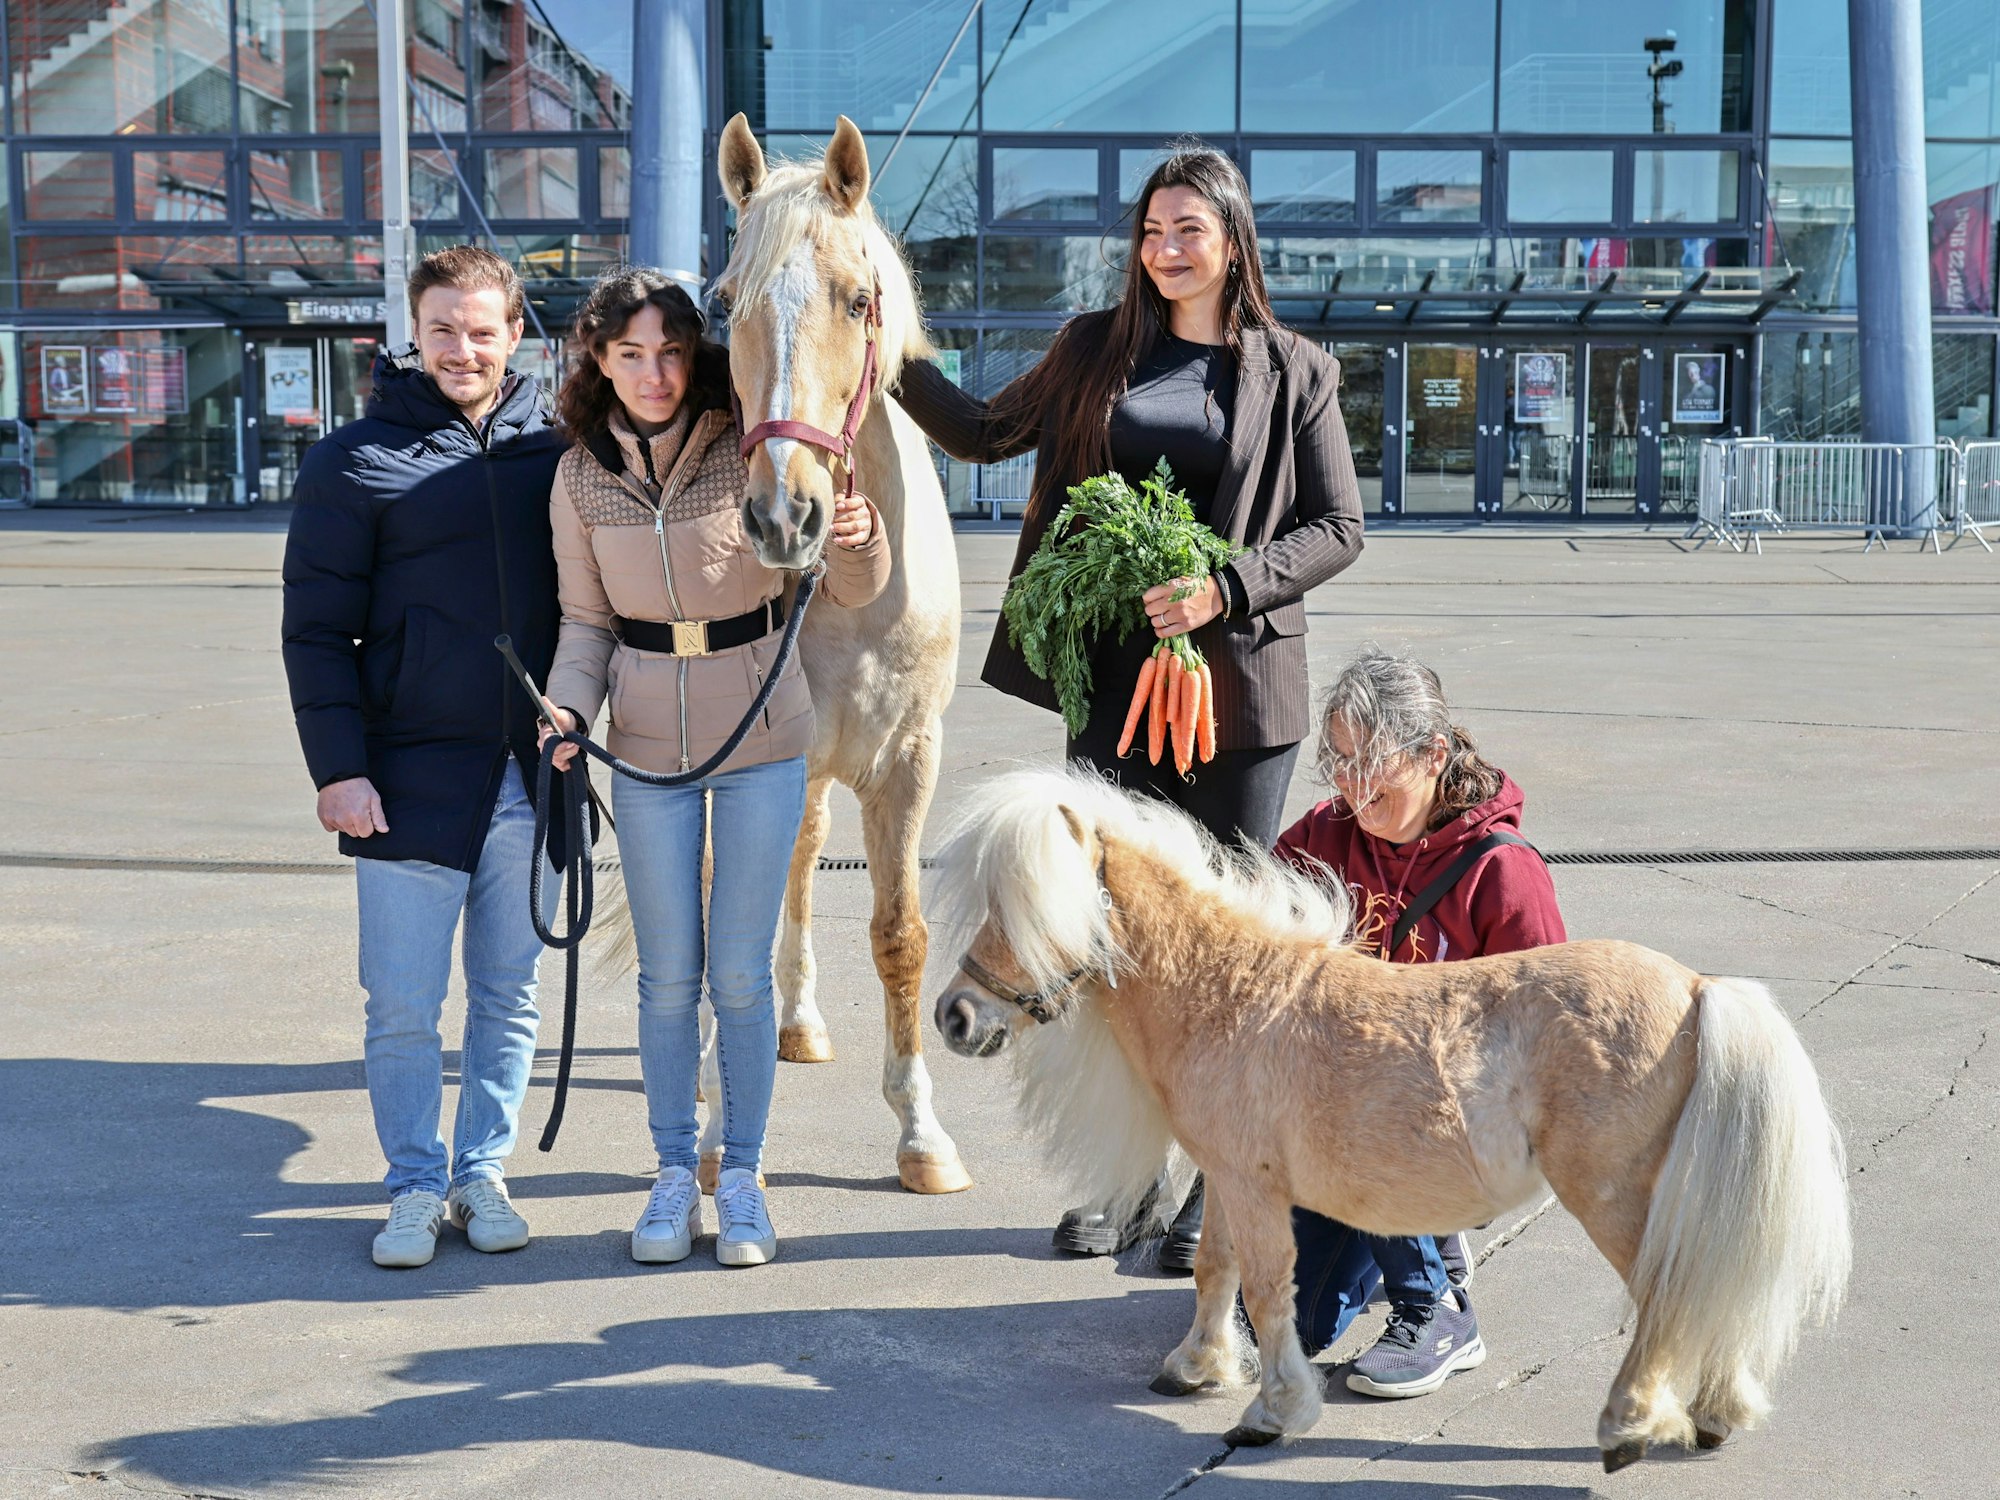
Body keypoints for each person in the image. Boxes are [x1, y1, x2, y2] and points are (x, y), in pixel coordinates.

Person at [894, 142, 1365, 1267]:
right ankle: (1123, 1181)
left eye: (1185, 231)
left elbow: (1336, 527)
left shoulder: (1294, 368)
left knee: (1221, 953)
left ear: (1232, 241)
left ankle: (1216, 1180)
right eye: (1150, 232)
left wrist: (1225, 585)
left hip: (1241, 695)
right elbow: (977, 433)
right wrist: (881, 335)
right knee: (1098, 945)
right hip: (1111, 692)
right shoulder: (1089, 350)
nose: (1163, 250)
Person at [538, 269, 888, 1268]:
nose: (652, 374)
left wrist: (860, 540)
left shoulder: (749, 455)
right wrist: (567, 707)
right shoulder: (577, 481)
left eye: (669, 352)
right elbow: (585, 624)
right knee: (665, 981)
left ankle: (739, 1180)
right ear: (598, 363)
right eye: (628, 354)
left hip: (762, 748)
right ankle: (665, 1179)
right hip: (644, 752)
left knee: (739, 977)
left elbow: (852, 583)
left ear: (696, 359)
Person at [280, 246, 566, 1268]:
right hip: (404, 777)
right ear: (413, 330)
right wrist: (337, 769)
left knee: (508, 995)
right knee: (402, 1004)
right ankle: (411, 1186)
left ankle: (481, 1173)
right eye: (442, 327)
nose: (462, 347)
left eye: (482, 328)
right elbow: (316, 632)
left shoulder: (566, 453)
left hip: (536, 779)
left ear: (515, 335)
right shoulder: (352, 462)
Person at [1271, 647, 1567, 1398]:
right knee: (1280, 1327)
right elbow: (1251, 921)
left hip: (1457, 1126)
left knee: (1379, 1080)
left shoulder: (1501, 869)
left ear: (1433, 754)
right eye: (1338, 759)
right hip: (1338, 1129)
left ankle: (1436, 1306)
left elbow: (1546, 1032)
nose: (1349, 783)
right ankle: (1408, 1245)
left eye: (1371, 763)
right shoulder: (1324, 836)